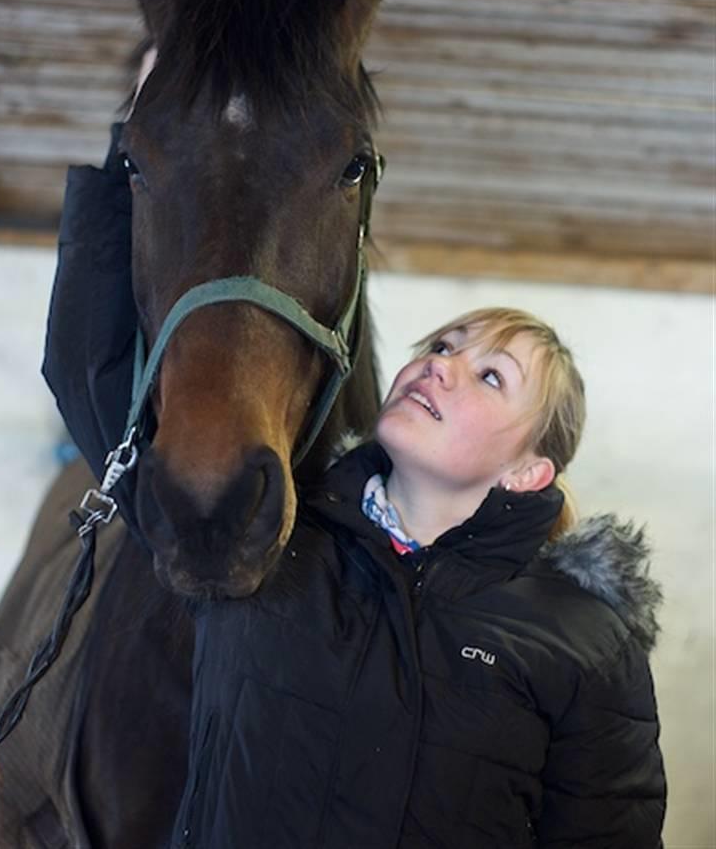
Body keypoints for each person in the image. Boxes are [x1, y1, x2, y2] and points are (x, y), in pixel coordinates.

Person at [41, 134, 666, 848]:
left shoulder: (585, 642)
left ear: (527, 473)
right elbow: (91, 373)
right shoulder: (263, 540)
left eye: (490, 376)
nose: (443, 368)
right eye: (442, 347)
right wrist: (136, 139)